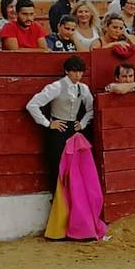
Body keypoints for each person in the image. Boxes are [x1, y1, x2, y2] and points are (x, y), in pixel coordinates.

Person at [25, 56, 94, 188]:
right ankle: (58, 201)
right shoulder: (56, 87)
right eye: (74, 71)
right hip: (58, 130)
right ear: (66, 71)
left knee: (74, 167)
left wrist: (83, 123)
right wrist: (48, 123)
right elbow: (32, 105)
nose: (78, 75)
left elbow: (91, 110)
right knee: (57, 165)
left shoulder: (83, 88)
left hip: (74, 130)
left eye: (81, 72)